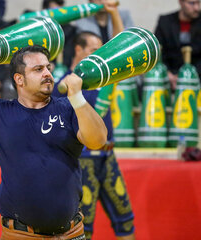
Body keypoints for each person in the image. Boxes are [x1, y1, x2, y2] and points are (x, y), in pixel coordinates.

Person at [0, 44, 107, 239]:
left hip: (71, 234)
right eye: (38, 69)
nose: (47, 73)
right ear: (19, 79)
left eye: (47, 68)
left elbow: (98, 140)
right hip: (21, 235)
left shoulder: (69, 108)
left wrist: (77, 98)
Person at [73, 2, 136, 240]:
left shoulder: (103, 78)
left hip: (108, 156)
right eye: (94, 50)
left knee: (126, 218)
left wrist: (113, 11)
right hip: (83, 160)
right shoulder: (67, 83)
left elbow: (120, 49)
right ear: (78, 50)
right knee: (83, 227)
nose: (100, 56)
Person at [154, 0, 201, 104]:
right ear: (181, 2)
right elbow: (158, 50)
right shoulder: (165, 21)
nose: (197, 8)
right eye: (192, 3)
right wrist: (167, 73)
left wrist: (186, 75)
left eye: (199, 3)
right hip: (171, 74)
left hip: (199, 75)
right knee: (145, 88)